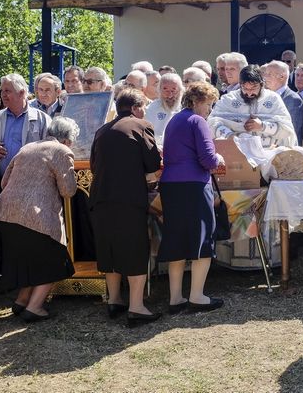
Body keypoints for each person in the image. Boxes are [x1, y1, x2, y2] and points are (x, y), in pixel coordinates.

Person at [0, 117, 79, 322]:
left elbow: (4, 181)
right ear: (67, 140)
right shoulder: (62, 151)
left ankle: (22, 301)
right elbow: (68, 190)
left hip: (6, 213)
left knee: (27, 261)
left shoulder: (28, 147)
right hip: (36, 215)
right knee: (54, 260)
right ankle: (35, 307)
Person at [89, 88, 162, 326]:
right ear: (135, 107)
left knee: (109, 247)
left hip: (100, 198)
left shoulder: (101, 130)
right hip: (128, 198)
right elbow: (153, 162)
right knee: (135, 248)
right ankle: (137, 307)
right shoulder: (141, 125)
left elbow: (92, 165)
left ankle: (115, 300)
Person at [159, 81, 226, 313]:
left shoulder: (174, 120)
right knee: (201, 239)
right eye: (209, 104)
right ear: (197, 101)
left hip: (170, 185)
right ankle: (197, 296)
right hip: (194, 185)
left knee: (176, 241)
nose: (210, 110)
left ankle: (175, 298)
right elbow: (208, 159)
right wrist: (220, 160)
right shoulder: (198, 121)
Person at [0, 73, 52, 191]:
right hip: (0, 185)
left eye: (7, 91)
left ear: (22, 92)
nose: (3, 95)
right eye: (1, 90)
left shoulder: (42, 119)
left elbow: (51, 150)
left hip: (32, 185)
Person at [209, 65, 297, 147]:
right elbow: (212, 123)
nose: (249, 93)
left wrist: (262, 126)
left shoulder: (273, 99)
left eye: (253, 88)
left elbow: (287, 129)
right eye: (245, 88)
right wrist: (230, 135)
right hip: (236, 152)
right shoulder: (228, 99)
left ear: (262, 85)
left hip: (268, 154)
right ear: (240, 85)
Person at [264, 60, 303, 144]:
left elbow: (291, 131)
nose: (265, 77)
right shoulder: (267, 96)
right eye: (265, 74)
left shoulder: (293, 99)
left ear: (282, 77)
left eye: (269, 74)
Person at [144, 73, 183, 146]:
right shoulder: (151, 109)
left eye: (173, 90)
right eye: (165, 90)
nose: (169, 95)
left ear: (180, 91)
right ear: (159, 90)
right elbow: (147, 135)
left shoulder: (184, 109)